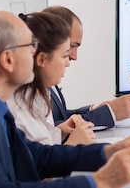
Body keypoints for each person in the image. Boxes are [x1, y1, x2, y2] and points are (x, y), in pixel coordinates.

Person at [0, 9, 130, 187]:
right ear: (8, 59)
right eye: (30, 45)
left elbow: (34, 155)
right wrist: (100, 181)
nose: (35, 51)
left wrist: (107, 152)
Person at [7, 11, 95, 145]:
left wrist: (59, 132)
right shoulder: (18, 107)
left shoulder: (38, 94)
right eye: (64, 56)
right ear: (42, 59)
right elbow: (37, 161)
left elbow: (39, 143)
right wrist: (72, 144)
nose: (68, 62)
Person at [42, 5, 130, 128]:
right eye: (71, 46)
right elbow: (49, 130)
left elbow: (62, 117)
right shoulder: (30, 87)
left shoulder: (49, 79)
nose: (74, 56)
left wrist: (93, 109)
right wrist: (111, 112)